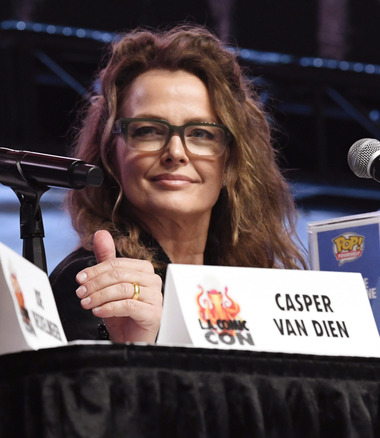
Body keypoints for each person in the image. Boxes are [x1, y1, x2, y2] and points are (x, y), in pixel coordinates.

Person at [49, 24, 307, 344]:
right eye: (148, 131)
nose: (175, 152)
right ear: (111, 156)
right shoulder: (98, 282)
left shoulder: (256, 286)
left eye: (201, 133)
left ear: (230, 162)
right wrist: (135, 345)